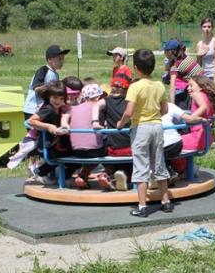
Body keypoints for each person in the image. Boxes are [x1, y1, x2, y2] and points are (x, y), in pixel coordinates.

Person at [117, 49, 173, 217]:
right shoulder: (159, 85)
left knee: (141, 166)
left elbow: (128, 112)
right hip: (157, 127)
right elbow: (165, 109)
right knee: (159, 164)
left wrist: (120, 124)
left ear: (135, 68)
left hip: (140, 128)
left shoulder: (135, 87)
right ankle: (166, 202)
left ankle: (142, 206)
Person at [9, 45, 70, 172]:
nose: (61, 62)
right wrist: (51, 87)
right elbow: (37, 87)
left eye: (62, 59)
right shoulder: (43, 70)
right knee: (34, 139)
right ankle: (31, 162)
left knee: (43, 139)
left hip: (44, 109)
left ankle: (36, 165)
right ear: (49, 60)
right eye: (59, 59)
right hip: (33, 109)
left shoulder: (55, 74)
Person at [92, 72, 132, 190]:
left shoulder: (106, 101)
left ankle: (108, 175)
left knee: (110, 157)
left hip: (113, 149)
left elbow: (96, 106)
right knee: (134, 162)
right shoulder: (129, 101)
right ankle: (126, 176)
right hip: (129, 148)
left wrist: (94, 121)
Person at [28, 82, 72, 184]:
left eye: (61, 98)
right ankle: (40, 172)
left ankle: (63, 176)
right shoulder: (48, 109)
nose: (58, 101)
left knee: (74, 153)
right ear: (49, 96)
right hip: (48, 144)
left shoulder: (59, 108)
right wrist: (49, 126)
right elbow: (32, 121)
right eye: (55, 97)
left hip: (56, 143)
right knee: (71, 156)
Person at [62, 83, 104, 189]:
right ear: (98, 97)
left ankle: (83, 175)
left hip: (76, 150)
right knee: (111, 147)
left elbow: (64, 117)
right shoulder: (98, 108)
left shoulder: (73, 109)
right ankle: (108, 174)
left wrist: (65, 125)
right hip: (94, 151)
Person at [196, 17, 215, 146]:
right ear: (201, 28)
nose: (207, 29)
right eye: (204, 27)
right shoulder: (199, 44)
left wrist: (214, 82)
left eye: (209, 26)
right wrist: (199, 55)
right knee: (207, 107)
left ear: (212, 28)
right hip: (204, 77)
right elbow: (199, 65)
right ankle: (212, 136)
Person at [163, 39, 203, 110]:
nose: (164, 53)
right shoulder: (186, 57)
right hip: (203, 83)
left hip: (199, 87)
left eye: (165, 51)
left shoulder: (175, 65)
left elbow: (172, 88)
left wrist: (172, 107)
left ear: (170, 52)